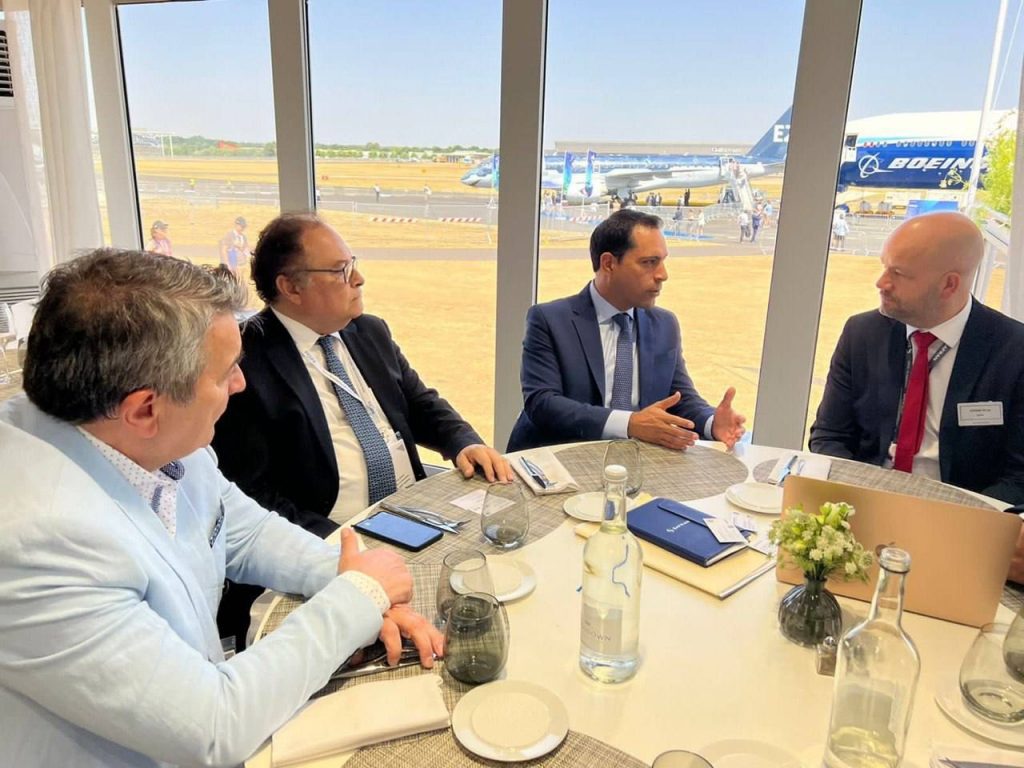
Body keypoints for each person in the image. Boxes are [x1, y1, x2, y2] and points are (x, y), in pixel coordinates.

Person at [0, 248, 441, 767]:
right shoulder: (35, 543)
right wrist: (357, 598)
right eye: (226, 371)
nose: (241, 384)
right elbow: (214, 726)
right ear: (145, 409)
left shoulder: (144, 433)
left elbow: (243, 531)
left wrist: (351, 576)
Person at [211, 214, 512, 643]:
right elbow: (256, 498)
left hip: (413, 512)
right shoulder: (245, 363)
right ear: (291, 287)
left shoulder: (368, 331)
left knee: (498, 579)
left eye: (353, 264)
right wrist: (343, 548)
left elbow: (419, 402)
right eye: (340, 271)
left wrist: (462, 441)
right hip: (333, 536)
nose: (359, 279)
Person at [809, 211, 1024, 508]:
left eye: (899, 273)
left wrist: (962, 520)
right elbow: (829, 436)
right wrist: (857, 502)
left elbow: (1019, 476)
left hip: (961, 513)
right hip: (865, 502)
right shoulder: (862, 334)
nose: (881, 282)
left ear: (949, 285)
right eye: (884, 266)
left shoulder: (1013, 351)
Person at [506, 209, 746, 452]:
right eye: (649, 262)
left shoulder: (664, 324)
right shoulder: (550, 319)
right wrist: (629, 424)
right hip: (558, 458)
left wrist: (712, 422)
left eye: (663, 261)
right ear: (608, 263)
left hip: (634, 461)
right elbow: (543, 404)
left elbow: (680, 399)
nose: (663, 275)